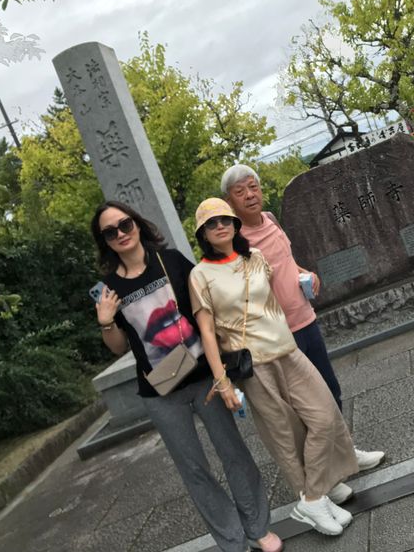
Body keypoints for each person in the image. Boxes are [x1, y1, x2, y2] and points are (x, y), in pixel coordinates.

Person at [90, 201, 282, 552]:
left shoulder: (172, 261)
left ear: (137, 225)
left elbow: (207, 305)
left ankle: (257, 527)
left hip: (204, 375)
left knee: (233, 452)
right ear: (104, 240)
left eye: (125, 224)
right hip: (160, 392)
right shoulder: (108, 290)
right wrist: (105, 320)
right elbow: (118, 347)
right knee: (194, 470)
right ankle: (231, 539)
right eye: (110, 231)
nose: (120, 233)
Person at [189, 198, 359, 537]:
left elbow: (278, 292)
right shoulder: (200, 275)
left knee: (325, 416)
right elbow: (207, 331)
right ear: (203, 234)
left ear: (235, 225)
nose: (220, 226)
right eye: (211, 223)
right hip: (253, 365)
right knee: (285, 435)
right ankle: (316, 495)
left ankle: (312, 495)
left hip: (287, 349)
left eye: (225, 219)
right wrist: (221, 380)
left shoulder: (256, 258)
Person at [220, 164, 385, 483]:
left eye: (253, 187)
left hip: (305, 318)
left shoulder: (270, 219)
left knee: (329, 388)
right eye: (240, 192)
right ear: (229, 202)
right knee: (307, 404)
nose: (250, 195)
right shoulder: (234, 241)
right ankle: (323, 471)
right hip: (279, 334)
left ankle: (347, 453)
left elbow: (286, 260)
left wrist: (305, 272)